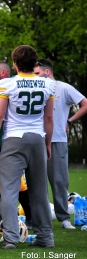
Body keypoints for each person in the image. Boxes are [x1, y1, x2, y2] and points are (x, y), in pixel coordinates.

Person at [0, 45, 55, 249]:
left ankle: (11, 238)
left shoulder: (7, 84)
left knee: (8, 191)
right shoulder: (47, 85)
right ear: (35, 64)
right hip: (37, 138)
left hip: (14, 139)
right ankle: (46, 237)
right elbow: (49, 117)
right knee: (40, 191)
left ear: (15, 64)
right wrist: (48, 143)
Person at [34, 59, 87, 229]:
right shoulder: (33, 87)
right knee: (35, 181)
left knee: (59, 180)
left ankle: (63, 218)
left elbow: (84, 103)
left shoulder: (64, 88)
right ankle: (37, 218)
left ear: (47, 72)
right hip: (35, 139)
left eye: (37, 73)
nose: (35, 77)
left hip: (57, 139)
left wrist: (69, 121)